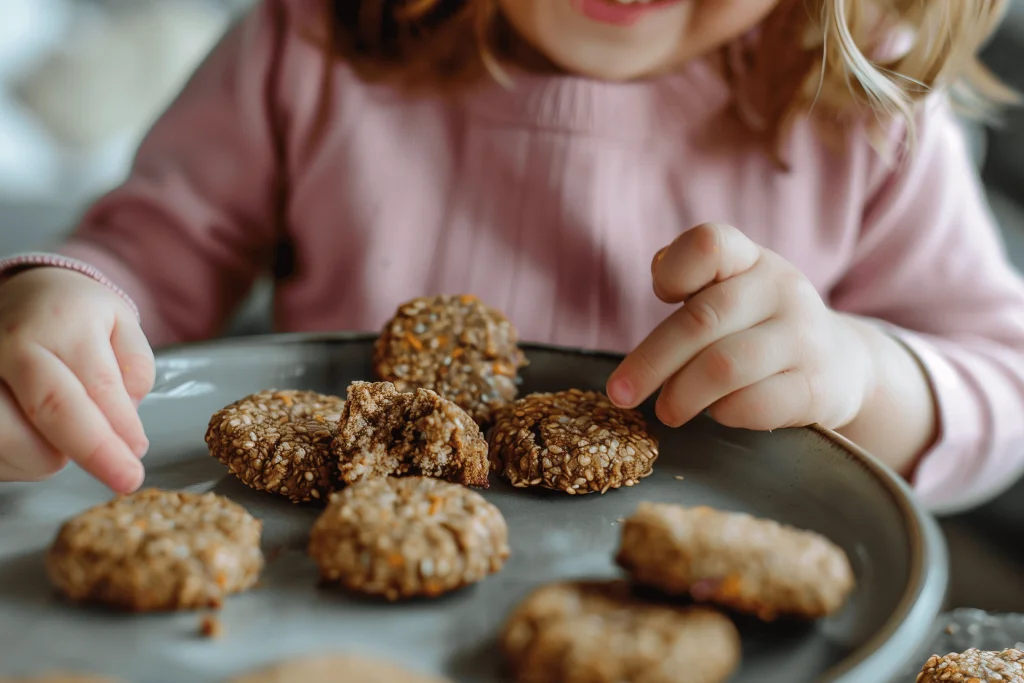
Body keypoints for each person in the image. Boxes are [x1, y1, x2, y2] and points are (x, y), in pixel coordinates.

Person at [0, 0, 1021, 514]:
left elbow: (1002, 379)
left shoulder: (865, 106)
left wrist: (863, 373)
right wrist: (59, 308)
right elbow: (145, 259)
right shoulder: (312, 43)